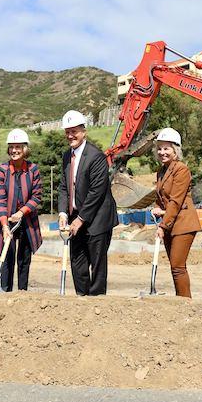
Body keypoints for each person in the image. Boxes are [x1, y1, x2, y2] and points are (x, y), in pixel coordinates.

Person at [58, 110, 118, 295]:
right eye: (67, 132)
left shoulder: (96, 156)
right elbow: (63, 187)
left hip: (98, 218)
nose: (70, 136)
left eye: (74, 131)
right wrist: (62, 213)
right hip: (77, 216)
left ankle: (97, 301)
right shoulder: (67, 156)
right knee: (78, 261)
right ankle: (81, 299)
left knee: (97, 264)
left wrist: (80, 219)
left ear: (84, 131)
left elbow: (96, 192)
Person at [151, 128, 200, 298]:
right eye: (160, 148)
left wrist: (163, 226)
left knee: (178, 266)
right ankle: (180, 301)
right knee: (174, 266)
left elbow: (176, 200)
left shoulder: (181, 169)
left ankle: (185, 303)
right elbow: (162, 197)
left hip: (183, 223)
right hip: (171, 222)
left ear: (176, 150)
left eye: (166, 148)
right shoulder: (162, 170)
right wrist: (156, 207)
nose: (162, 152)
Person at [0, 129, 42, 291]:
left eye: (18, 147)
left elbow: (36, 197)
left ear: (25, 149)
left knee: (24, 258)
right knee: (7, 257)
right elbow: (0, 200)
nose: (14, 150)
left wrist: (21, 212)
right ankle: (5, 290)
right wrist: (5, 225)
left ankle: (22, 293)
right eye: (11, 147)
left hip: (27, 220)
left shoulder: (33, 169)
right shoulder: (2, 170)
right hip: (6, 220)